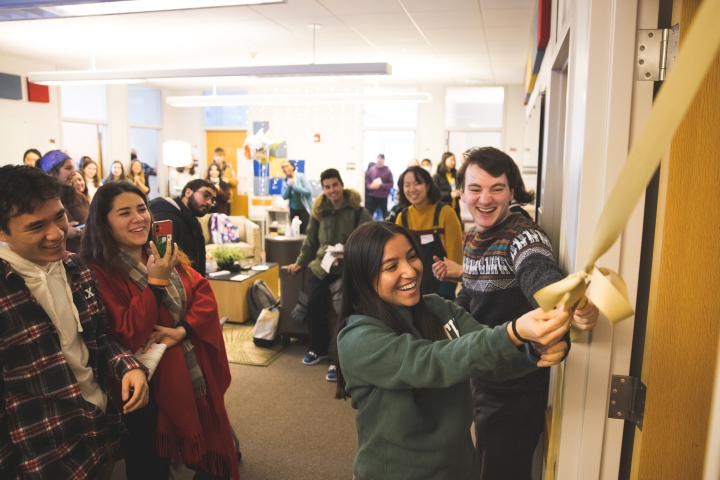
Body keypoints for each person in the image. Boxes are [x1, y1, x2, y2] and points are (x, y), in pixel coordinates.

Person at [333, 221, 571, 480]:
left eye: (412, 257)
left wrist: (532, 348)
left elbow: (491, 361)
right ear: (363, 278)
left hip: (459, 468)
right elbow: (430, 361)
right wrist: (512, 333)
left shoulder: (439, 308)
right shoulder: (357, 338)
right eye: (391, 266)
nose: (410, 272)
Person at [431, 146, 599, 480]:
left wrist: (569, 303)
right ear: (461, 192)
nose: (485, 199)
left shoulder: (523, 235)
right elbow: (473, 297)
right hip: (483, 372)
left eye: (497, 188)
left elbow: (539, 274)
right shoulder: (474, 237)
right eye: (476, 189)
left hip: (515, 387)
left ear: (512, 192)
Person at [81, 182, 238, 480]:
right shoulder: (98, 270)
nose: (138, 218)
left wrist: (183, 330)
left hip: (188, 369)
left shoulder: (159, 250)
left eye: (142, 209)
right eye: (124, 212)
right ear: (103, 222)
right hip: (144, 383)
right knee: (149, 462)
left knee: (214, 453)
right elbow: (127, 332)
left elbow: (201, 291)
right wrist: (156, 283)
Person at [0, 165, 149, 479]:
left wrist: (128, 365)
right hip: (42, 454)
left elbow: (100, 337)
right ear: (3, 232)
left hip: (97, 429)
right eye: (36, 226)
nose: (56, 233)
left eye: (59, 216)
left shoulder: (74, 265)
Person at [287, 169, 371, 381]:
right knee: (314, 303)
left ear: (342, 185)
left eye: (335, 185)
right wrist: (299, 263)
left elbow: (368, 237)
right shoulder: (319, 212)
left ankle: (338, 357)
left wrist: (349, 250)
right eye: (327, 187)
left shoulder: (357, 211)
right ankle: (318, 348)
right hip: (322, 267)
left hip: (347, 267)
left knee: (340, 310)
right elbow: (310, 242)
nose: (332, 190)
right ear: (323, 189)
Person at [395, 166, 462, 299]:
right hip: (411, 288)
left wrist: (445, 294)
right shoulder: (402, 217)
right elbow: (398, 258)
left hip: (442, 289)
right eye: (407, 185)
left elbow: (455, 259)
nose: (412, 189)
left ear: (428, 185)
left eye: (417, 183)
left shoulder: (446, 213)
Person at [149, 179, 217, 277]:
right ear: (188, 192)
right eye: (206, 195)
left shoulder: (192, 221)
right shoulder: (165, 216)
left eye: (213, 200)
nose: (209, 202)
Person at [40, 150, 87, 253]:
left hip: (86, 255)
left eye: (73, 168)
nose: (74, 173)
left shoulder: (81, 198)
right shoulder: (43, 202)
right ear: (51, 172)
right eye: (68, 168)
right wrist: (65, 232)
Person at [280, 160, 312, 234]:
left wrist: (294, 185)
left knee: (305, 231)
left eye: (286, 166)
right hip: (293, 210)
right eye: (282, 167)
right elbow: (284, 196)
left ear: (292, 167)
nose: (284, 168)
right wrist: (288, 185)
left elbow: (308, 191)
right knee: (295, 232)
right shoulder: (285, 181)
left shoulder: (301, 177)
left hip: (304, 210)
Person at [365, 153, 393, 220]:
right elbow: (367, 183)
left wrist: (380, 185)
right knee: (369, 214)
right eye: (378, 158)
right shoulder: (372, 170)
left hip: (383, 197)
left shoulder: (388, 171)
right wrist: (371, 186)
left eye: (381, 159)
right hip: (373, 196)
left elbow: (391, 184)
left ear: (383, 160)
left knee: (385, 214)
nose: (379, 160)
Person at [213, 148, 239, 214]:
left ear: (224, 157)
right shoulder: (210, 169)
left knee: (226, 218)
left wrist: (229, 180)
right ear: (214, 157)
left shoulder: (229, 169)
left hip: (226, 198)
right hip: (213, 198)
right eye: (216, 156)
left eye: (220, 156)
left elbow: (236, 183)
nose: (218, 158)